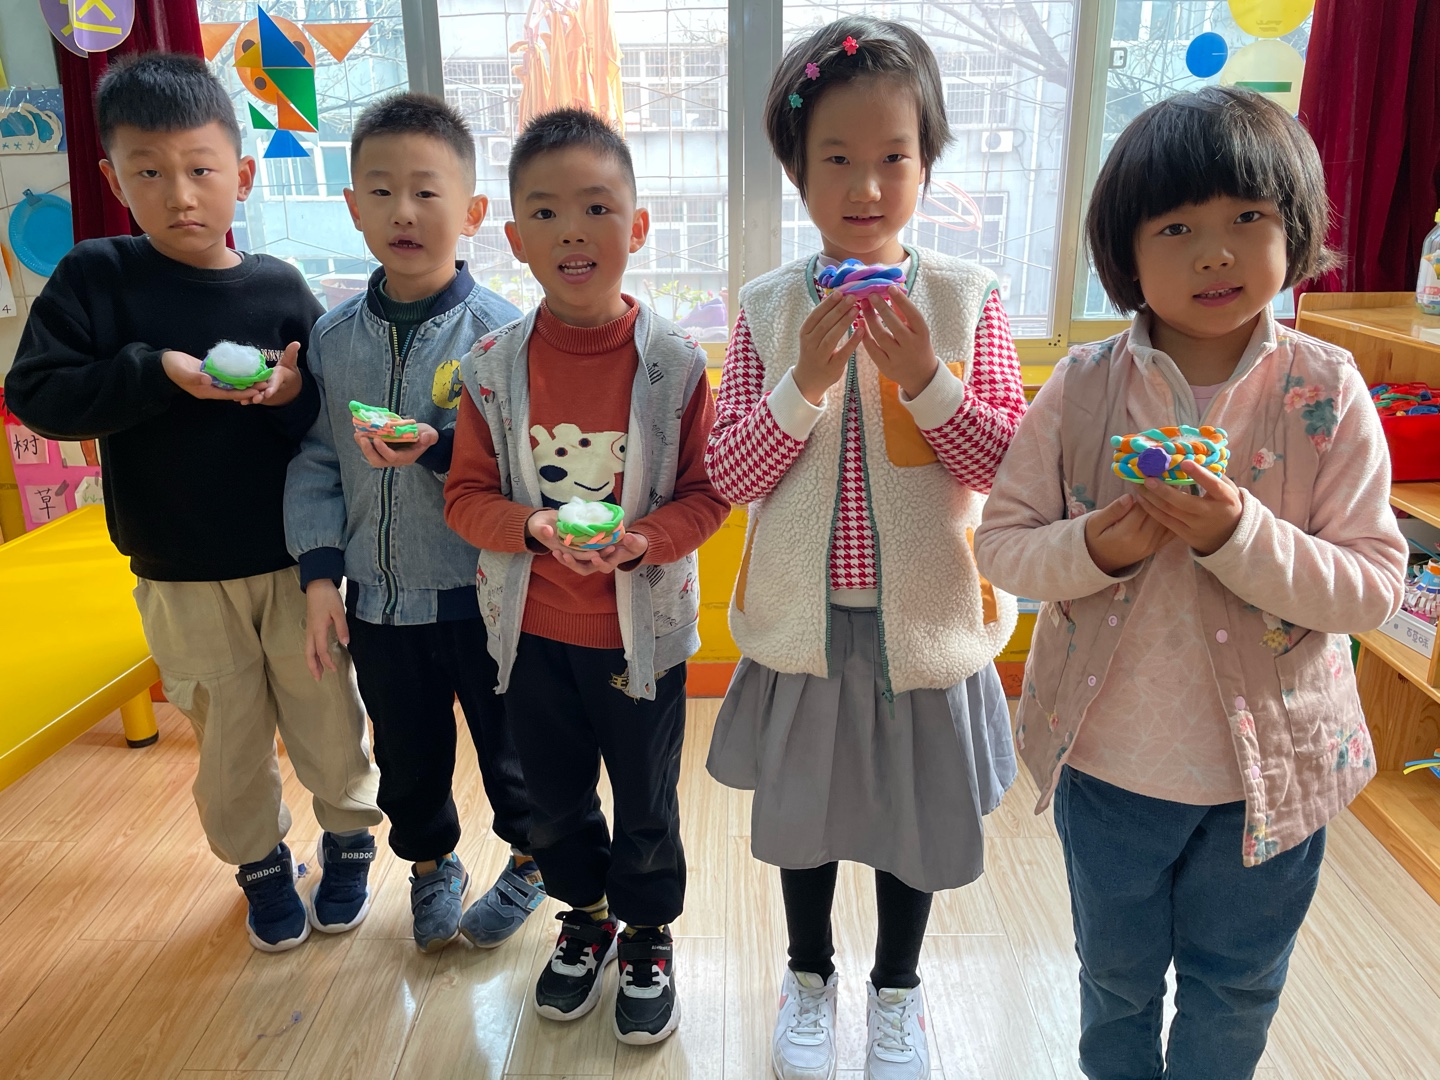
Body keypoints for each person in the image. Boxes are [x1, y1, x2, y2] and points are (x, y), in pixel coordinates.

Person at [974, 86, 1408, 1080]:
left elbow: (1374, 586)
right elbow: (1002, 548)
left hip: (1278, 775)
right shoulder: (1084, 387)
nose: (1216, 253)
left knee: (1237, 988)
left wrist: (1237, 535)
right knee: (1115, 982)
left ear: (1294, 232)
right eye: (1177, 227)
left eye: (1248, 217)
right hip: (1109, 768)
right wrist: (1098, 547)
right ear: (1127, 254)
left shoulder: (1325, 388)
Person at [702, 17, 1028, 1080]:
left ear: (927, 163)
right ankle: (807, 977)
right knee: (803, 822)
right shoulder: (765, 308)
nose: (868, 184)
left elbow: (1007, 465)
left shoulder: (966, 299)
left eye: (895, 155)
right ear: (797, 170)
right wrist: (801, 379)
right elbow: (733, 476)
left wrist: (927, 378)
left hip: (925, 628)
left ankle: (898, 990)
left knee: (913, 824)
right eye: (836, 157)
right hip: (804, 630)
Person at [3, 52, 382, 952]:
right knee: (227, 734)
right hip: (178, 570)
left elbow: (324, 425)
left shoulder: (277, 287)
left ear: (241, 176)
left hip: (292, 564)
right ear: (112, 180)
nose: (180, 195)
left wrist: (290, 395)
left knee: (330, 717)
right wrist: (155, 372)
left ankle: (348, 839)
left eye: (201, 170)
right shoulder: (97, 277)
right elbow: (37, 393)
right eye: (149, 173)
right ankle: (259, 865)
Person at [444, 107, 729, 1046]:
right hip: (529, 635)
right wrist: (531, 527)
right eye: (546, 212)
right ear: (514, 237)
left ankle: (646, 933)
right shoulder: (491, 369)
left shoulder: (676, 366)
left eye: (597, 207)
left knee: (646, 801)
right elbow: (464, 498)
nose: (573, 231)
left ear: (636, 227)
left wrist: (642, 541)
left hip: (640, 641)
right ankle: (587, 918)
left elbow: (708, 497)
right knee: (553, 798)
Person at [284, 92, 547, 955]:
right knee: (406, 755)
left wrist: (437, 449)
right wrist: (320, 573)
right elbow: (318, 459)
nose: (403, 211)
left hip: (484, 596)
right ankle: (432, 867)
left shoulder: (504, 337)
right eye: (381, 191)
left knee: (513, 749)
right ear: (353, 206)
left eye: (427, 191)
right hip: (380, 602)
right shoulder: (333, 338)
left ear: (471, 211)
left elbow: (527, 475)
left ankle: (534, 859)